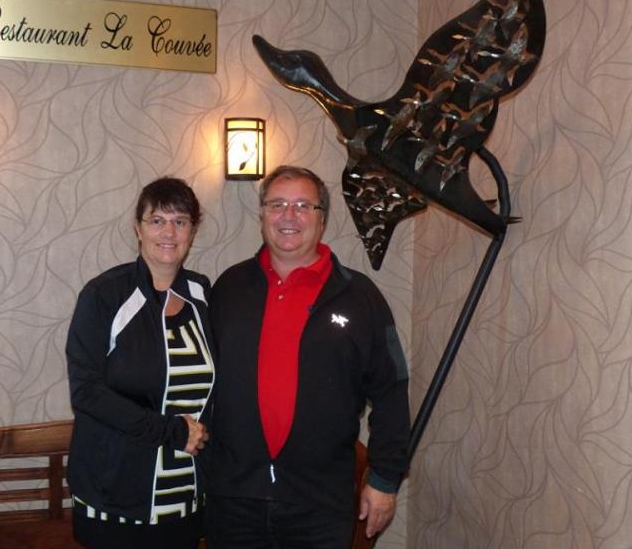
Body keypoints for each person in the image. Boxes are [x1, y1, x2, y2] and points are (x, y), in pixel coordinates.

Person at [205, 165, 410, 548]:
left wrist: (385, 478)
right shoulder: (229, 288)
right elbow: (203, 386)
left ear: (322, 218)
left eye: (303, 205)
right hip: (234, 499)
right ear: (262, 214)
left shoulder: (360, 297)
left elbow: (392, 391)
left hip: (320, 504)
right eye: (277, 204)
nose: (289, 215)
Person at [65, 177, 215, 549]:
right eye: (157, 220)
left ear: (192, 231)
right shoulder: (104, 295)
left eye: (180, 221)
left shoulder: (202, 293)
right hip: (116, 494)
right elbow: (86, 392)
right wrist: (171, 431)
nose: (169, 232)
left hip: (184, 493)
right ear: (138, 228)